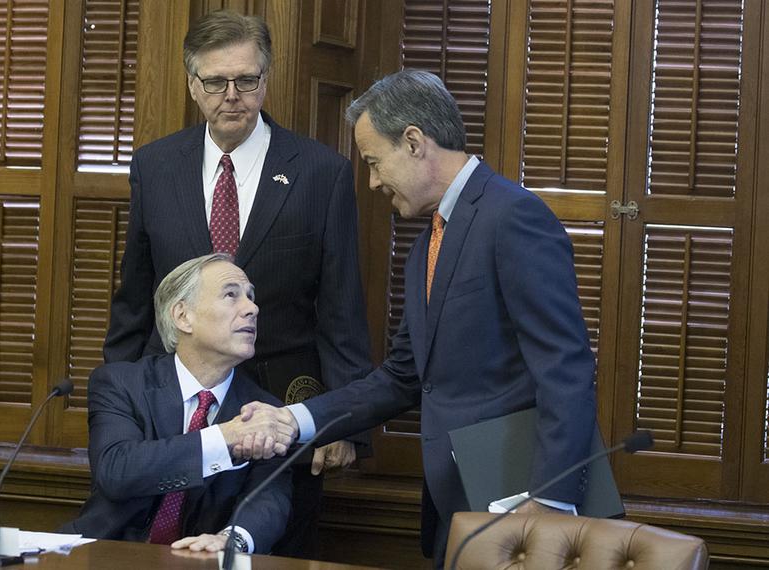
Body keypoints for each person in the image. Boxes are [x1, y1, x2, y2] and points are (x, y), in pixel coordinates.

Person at [239, 69, 598, 568]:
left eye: (373, 162)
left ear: (413, 142)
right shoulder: (426, 243)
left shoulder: (513, 216)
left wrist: (551, 501)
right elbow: (403, 376)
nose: (372, 180)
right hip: (454, 504)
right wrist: (294, 419)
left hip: (522, 508)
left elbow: (566, 367)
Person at [102, 9, 373, 557]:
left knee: (267, 548)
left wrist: (344, 422)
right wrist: (116, 405)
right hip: (171, 412)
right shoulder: (155, 166)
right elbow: (134, 297)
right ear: (192, 85)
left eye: (246, 80)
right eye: (216, 82)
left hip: (280, 413)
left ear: (264, 81)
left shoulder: (321, 172)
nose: (233, 95)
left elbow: (342, 308)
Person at [62, 254, 295, 554]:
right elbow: (117, 470)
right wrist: (223, 439)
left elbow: (270, 499)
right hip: (105, 553)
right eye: (231, 295)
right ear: (183, 316)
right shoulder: (121, 383)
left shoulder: (264, 411)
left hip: (199, 561)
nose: (252, 308)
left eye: (250, 297)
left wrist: (232, 540)